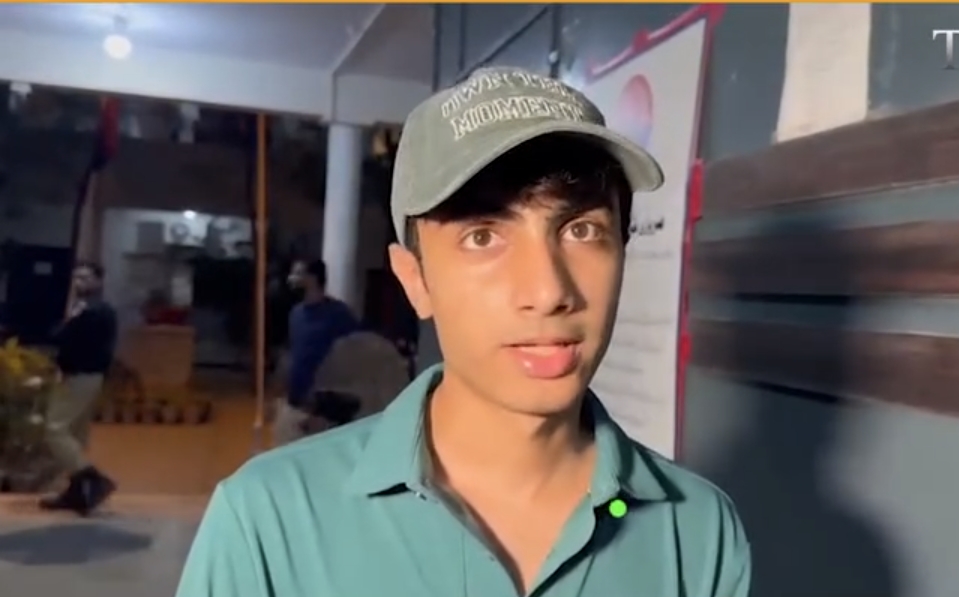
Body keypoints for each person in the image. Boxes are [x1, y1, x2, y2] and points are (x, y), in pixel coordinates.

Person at [176, 66, 750, 597]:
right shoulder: (270, 522)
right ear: (415, 279)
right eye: (483, 236)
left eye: (580, 230)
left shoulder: (697, 531)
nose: (548, 290)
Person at [39, 261, 118, 516]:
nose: (79, 283)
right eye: (77, 278)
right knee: (76, 433)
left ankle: (90, 477)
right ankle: (77, 493)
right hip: (91, 376)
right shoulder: (96, 309)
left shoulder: (91, 311)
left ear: (98, 281)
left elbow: (63, 337)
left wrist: (69, 324)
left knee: (55, 429)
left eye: (85, 278)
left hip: (78, 376)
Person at [274, 258, 363, 444]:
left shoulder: (338, 314)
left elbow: (355, 355)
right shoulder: (296, 314)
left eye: (298, 274)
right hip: (295, 404)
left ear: (313, 279)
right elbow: (292, 353)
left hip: (324, 410)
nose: (291, 279)